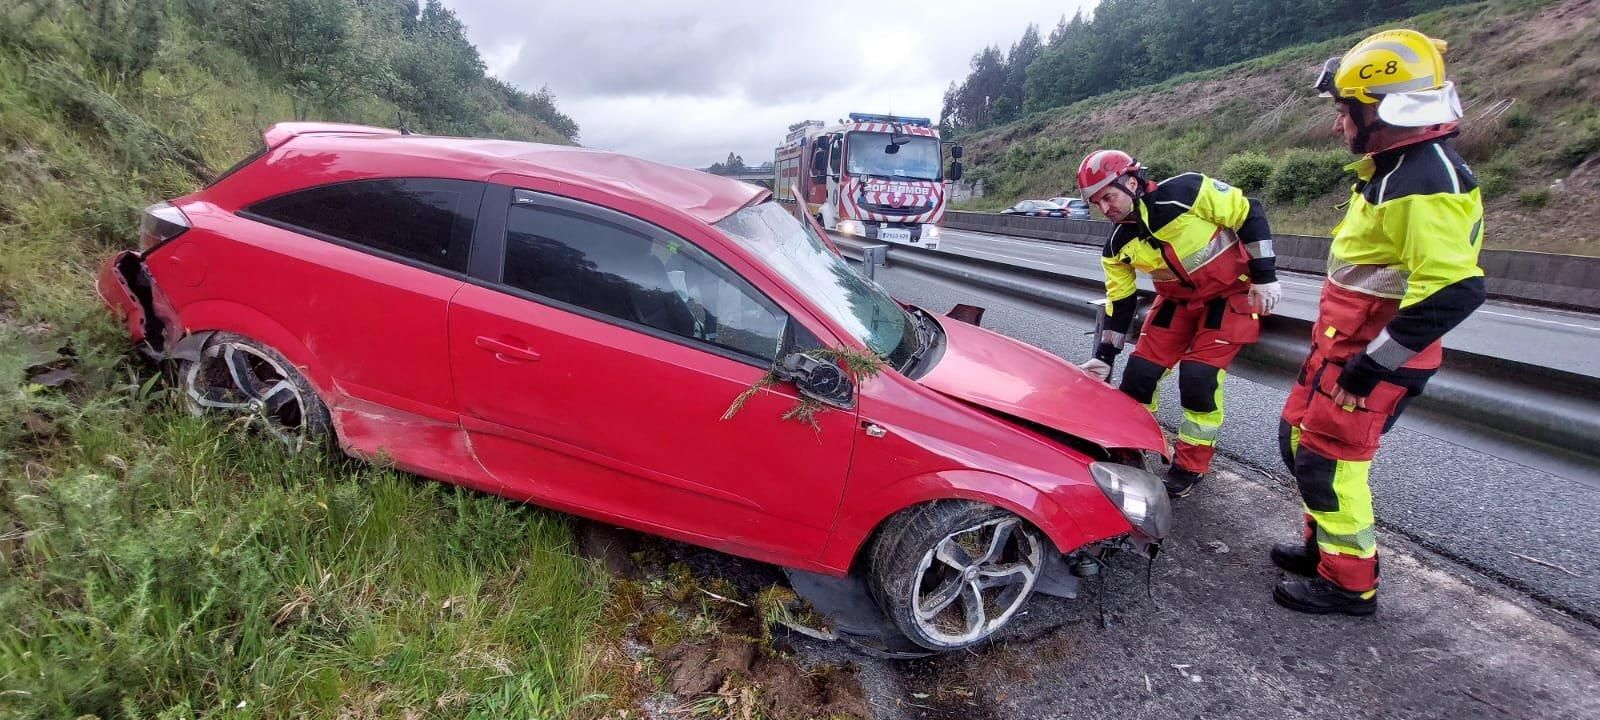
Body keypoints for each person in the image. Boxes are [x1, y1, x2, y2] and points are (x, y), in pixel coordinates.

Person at [1272, 29, 1486, 616]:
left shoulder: (1424, 181)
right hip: (1343, 348)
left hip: (1370, 358)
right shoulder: (1396, 169)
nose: (1339, 125)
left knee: (1329, 467)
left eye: (1346, 111)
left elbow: (1455, 290)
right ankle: (1324, 551)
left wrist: (1369, 369)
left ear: (1388, 109)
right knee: (1298, 444)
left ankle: (1348, 585)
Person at [1075, 150, 1281, 497]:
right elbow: (1120, 303)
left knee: (1198, 380)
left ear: (1131, 182)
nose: (1105, 209)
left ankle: (1191, 466)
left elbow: (1250, 211)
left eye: (1108, 197)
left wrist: (1265, 276)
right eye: (1097, 203)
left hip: (1229, 297)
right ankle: (1131, 451)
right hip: (1177, 303)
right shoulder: (1115, 246)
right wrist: (1105, 356)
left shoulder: (1187, 191)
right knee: (1138, 377)